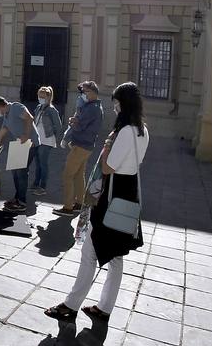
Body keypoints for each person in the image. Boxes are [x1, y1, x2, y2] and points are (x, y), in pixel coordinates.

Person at [46, 82, 149, 322]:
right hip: (128, 192)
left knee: (90, 251)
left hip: (112, 194)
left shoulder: (124, 131)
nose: (115, 107)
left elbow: (107, 166)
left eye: (117, 103)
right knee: (115, 255)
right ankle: (104, 308)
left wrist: (106, 148)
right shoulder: (143, 130)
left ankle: (70, 306)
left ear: (124, 104)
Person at [55, 81, 105, 216]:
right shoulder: (94, 106)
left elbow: (80, 126)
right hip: (86, 146)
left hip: (81, 146)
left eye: (84, 92)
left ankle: (67, 207)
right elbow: (81, 123)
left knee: (67, 175)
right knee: (78, 175)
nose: (82, 95)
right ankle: (79, 203)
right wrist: (75, 121)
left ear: (93, 92)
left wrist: (73, 122)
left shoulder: (91, 108)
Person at [0, 95, 35, 211]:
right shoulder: (6, 116)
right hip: (19, 144)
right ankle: (17, 198)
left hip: (30, 143)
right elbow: (1, 134)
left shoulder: (16, 107)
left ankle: (22, 202)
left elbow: (30, 118)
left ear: (0, 106)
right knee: (14, 171)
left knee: (21, 172)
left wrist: (26, 135)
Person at [29, 85, 63, 196]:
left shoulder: (52, 110)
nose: (40, 98)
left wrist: (58, 139)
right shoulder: (39, 107)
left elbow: (58, 126)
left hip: (47, 139)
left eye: (43, 97)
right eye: (39, 96)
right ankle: (35, 184)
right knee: (38, 163)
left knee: (43, 164)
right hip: (38, 139)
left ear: (48, 97)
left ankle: (42, 186)